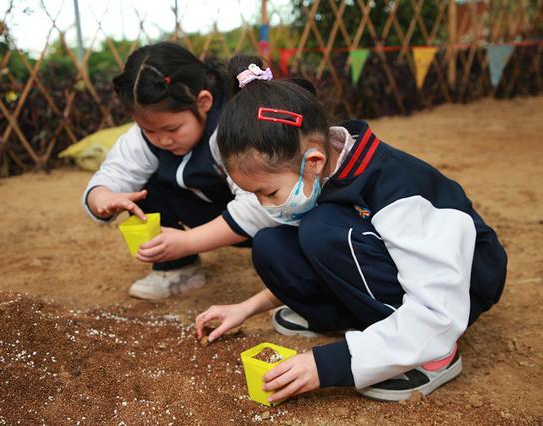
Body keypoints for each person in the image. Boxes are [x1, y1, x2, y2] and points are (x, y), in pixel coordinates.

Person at [196, 60, 507, 402]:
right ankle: (364, 323)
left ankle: (435, 357)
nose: (266, 205)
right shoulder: (318, 168)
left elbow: (439, 310)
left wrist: (325, 365)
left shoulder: (394, 187)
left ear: (312, 161)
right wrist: (246, 307)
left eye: (268, 192)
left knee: (322, 228)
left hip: (457, 290)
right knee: (271, 244)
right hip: (393, 269)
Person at [83, 43, 274, 299]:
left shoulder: (235, 128)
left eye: (172, 129)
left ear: (203, 102)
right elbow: (116, 172)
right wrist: (102, 198)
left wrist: (187, 242)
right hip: (212, 212)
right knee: (142, 188)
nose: (162, 140)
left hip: (269, 223)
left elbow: (260, 206)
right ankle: (178, 270)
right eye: (150, 130)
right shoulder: (144, 138)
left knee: (280, 243)